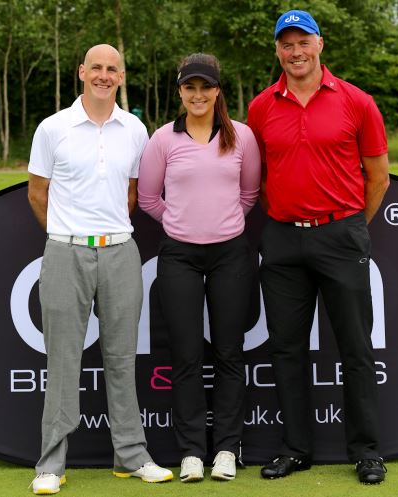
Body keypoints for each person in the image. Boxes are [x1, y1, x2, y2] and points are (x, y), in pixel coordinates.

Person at [247, 10, 390, 485]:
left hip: (341, 234)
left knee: (355, 347)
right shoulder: (261, 107)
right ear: (277, 51)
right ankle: (295, 449)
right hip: (284, 238)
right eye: (286, 44)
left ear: (320, 44)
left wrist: (349, 226)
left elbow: (379, 176)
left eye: (303, 42)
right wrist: (292, 219)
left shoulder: (357, 101)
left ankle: (367, 451)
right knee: (286, 350)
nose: (295, 52)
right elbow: (261, 178)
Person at [27, 44, 173, 494]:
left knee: (122, 359)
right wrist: (68, 233)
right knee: (63, 359)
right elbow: (37, 193)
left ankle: (130, 456)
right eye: (97, 68)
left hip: (120, 252)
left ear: (121, 76)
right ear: (81, 72)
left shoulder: (135, 129)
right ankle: (51, 464)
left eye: (112, 69)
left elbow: (132, 193)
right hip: (65, 252)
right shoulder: (53, 128)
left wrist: (105, 233)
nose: (104, 76)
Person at [138, 53, 261, 482]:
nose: (197, 94)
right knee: (186, 355)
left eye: (204, 87)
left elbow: (249, 194)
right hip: (179, 256)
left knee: (229, 352)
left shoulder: (241, 136)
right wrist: (179, 222)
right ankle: (192, 450)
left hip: (230, 254)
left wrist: (221, 224)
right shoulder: (162, 140)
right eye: (189, 87)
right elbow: (149, 198)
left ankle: (226, 448)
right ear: (180, 92)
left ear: (217, 91)